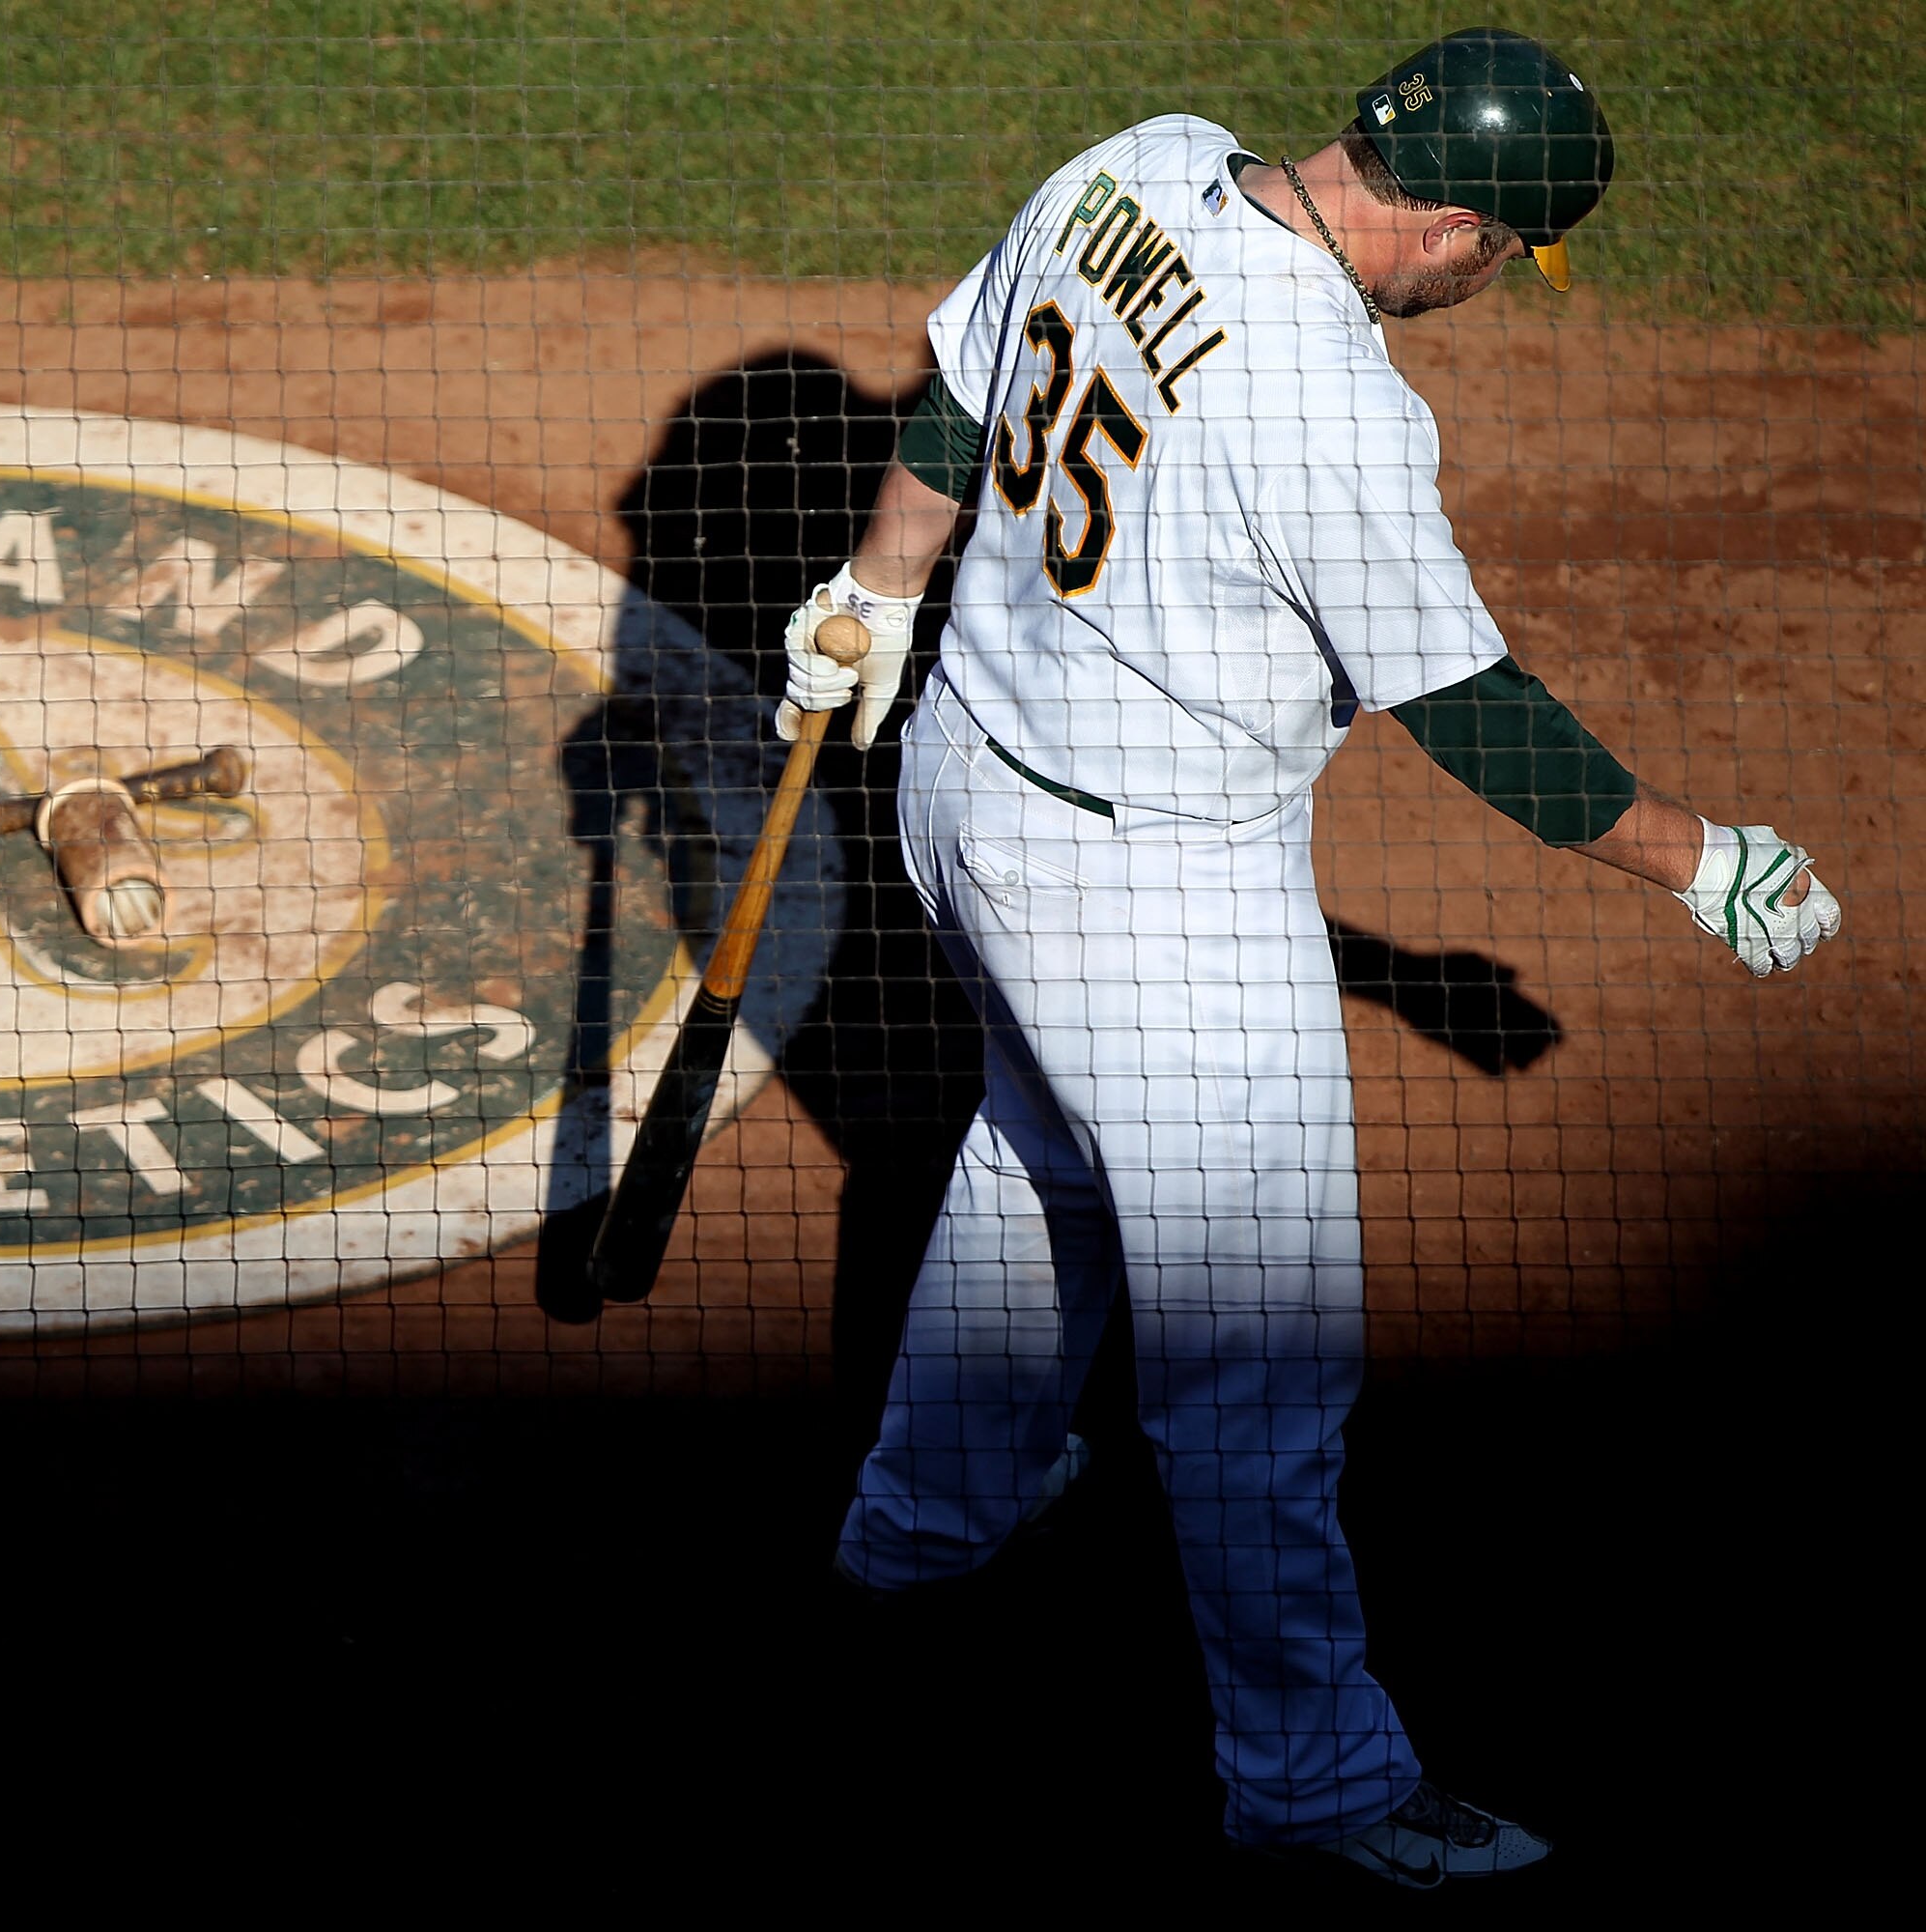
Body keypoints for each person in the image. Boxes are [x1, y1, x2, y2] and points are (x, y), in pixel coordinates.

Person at [779, 29, 1842, 1888]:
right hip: (1158, 905)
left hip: (963, 781)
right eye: (1506, 253)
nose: (1494, 287)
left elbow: (955, 402)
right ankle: (1316, 1775)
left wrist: (874, 592)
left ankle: (926, 1521)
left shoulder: (1137, 160)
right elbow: (1473, 713)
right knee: (1258, 1370)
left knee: (1037, 1160)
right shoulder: (1334, 402)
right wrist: (1702, 860)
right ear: (1445, 221)